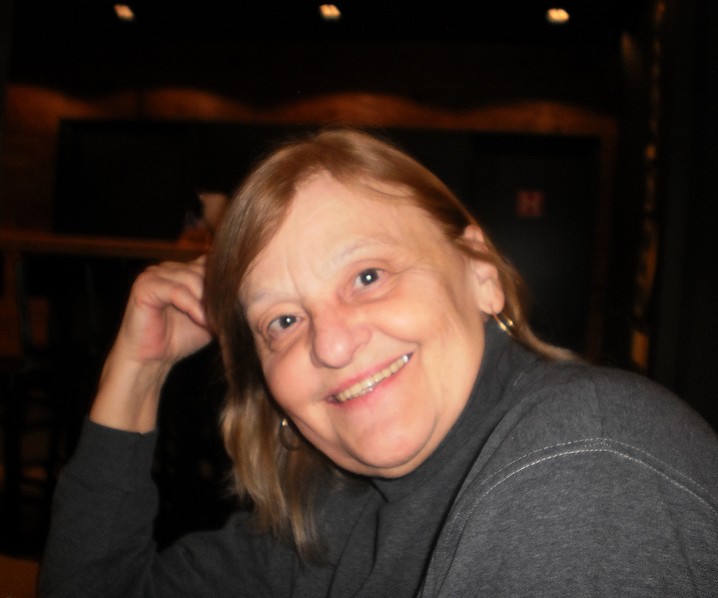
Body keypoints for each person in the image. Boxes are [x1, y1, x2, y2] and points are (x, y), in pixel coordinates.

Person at [40, 128, 718, 597]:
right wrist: (138, 371)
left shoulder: (585, 469)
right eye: (283, 321)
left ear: (480, 271)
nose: (331, 345)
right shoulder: (335, 512)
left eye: (368, 277)